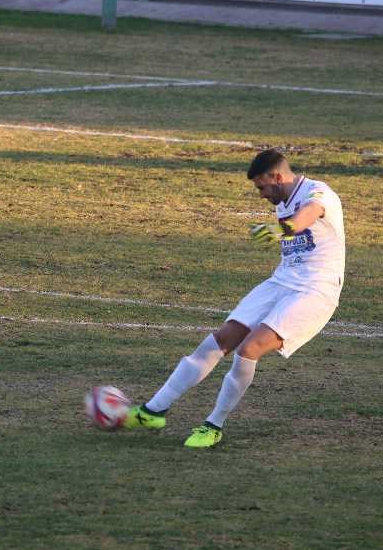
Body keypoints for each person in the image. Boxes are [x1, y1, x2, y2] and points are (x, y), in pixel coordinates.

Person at [125, 148, 345, 448]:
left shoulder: (319, 192)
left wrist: (285, 229)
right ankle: (153, 410)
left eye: (262, 187)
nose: (261, 194)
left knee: (249, 347)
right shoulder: (282, 199)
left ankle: (213, 425)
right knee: (220, 339)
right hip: (281, 281)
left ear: (277, 177)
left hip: (316, 290)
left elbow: (309, 214)